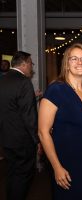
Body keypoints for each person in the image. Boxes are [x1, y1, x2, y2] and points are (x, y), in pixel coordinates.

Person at [38, 43, 82, 200]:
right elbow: (43, 132)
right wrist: (57, 167)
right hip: (66, 160)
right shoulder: (56, 90)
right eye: (74, 58)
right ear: (66, 64)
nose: (79, 62)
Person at [0, 51, 39, 200]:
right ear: (24, 63)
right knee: (23, 177)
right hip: (22, 141)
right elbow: (29, 117)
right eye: (31, 63)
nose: (32, 67)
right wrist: (37, 139)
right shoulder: (24, 82)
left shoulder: (3, 79)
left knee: (11, 174)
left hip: (6, 138)